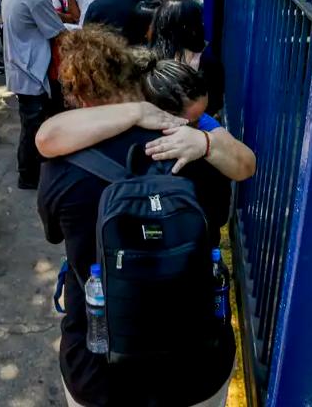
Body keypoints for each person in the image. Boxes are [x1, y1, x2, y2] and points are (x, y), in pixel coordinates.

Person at [37, 29, 235, 407]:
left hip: (100, 371)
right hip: (196, 366)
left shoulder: (62, 166)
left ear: (78, 96)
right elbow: (220, 214)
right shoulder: (192, 145)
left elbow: (52, 233)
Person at [37, 59, 255, 180]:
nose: (199, 125)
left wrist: (207, 143)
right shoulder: (126, 119)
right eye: (193, 121)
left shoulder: (199, 126)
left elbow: (247, 165)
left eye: (202, 116)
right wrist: (136, 113)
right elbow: (48, 138)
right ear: (162, 112)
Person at [0, 0, 69, 190]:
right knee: (32, 127)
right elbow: (58, 33)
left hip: (20, 63)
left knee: (30, 123)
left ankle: (29, 172)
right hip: (31, 69)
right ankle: (28, 176)